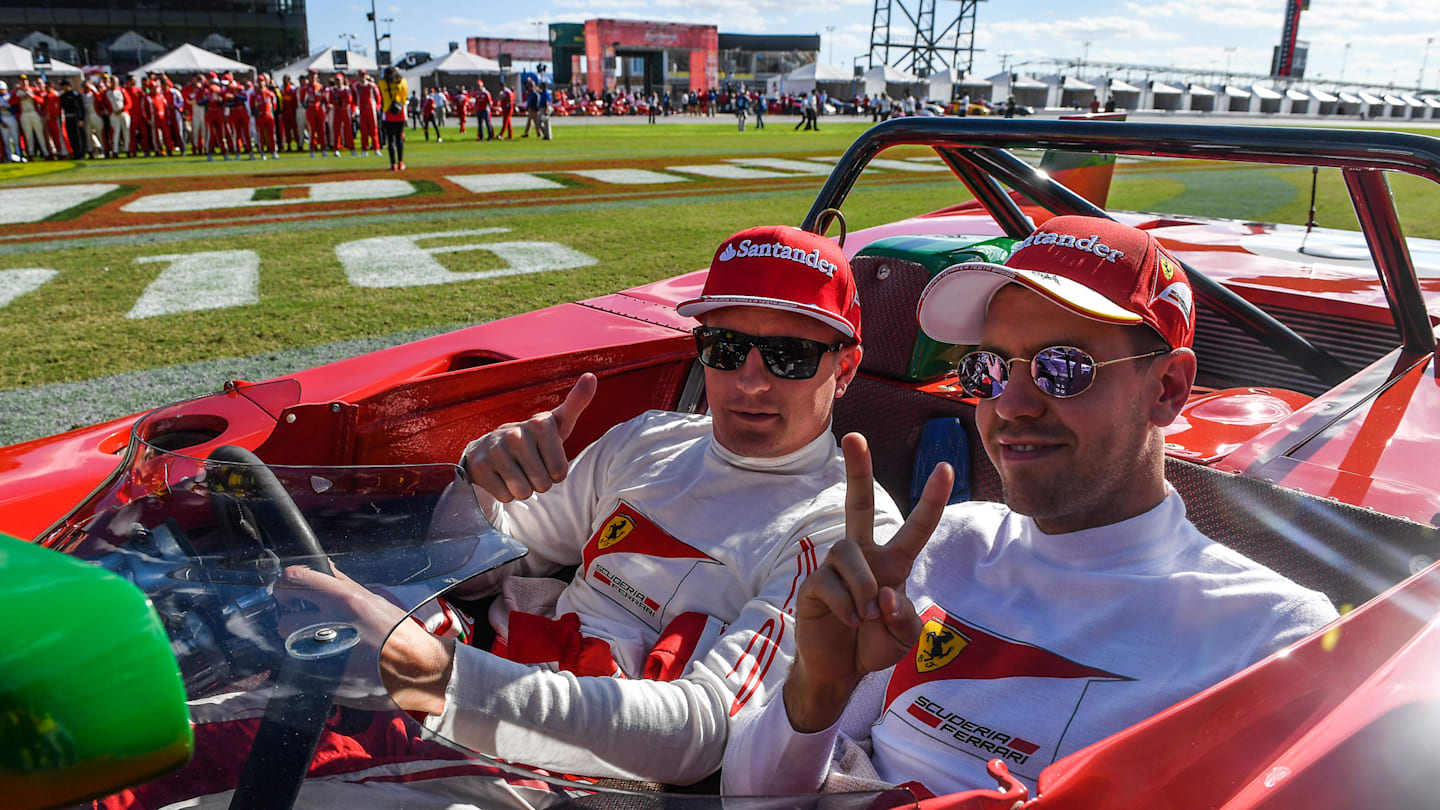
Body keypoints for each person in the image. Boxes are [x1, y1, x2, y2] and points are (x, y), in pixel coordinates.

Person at [276, 225, 906, 799]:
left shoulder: (842, 528)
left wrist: (439, 678)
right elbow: (476, 571)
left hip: (571, 776)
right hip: (482, 679)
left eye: (789, 357)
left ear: (844, 368)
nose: (749, 381)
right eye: (725, 346)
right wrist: (479, 484)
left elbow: (709, 735)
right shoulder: (647, 440)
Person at [722, 215, 1340, 798]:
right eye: (988, 368)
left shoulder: (1271, 638)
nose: (1011, 403)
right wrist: (817, 692)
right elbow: (747, 794)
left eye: (1063, 368)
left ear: (1167, 389)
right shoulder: (947, 545)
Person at [378, 66, 408, 170]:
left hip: (387, 112)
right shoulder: (403, 82)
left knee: (390, 139)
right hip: (399, 112)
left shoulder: (382, 83)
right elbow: (404, 98)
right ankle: (400, 162)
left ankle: (393, 164)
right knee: (399, 138)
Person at [355, 69, 380, 156]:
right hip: (361, 109)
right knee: (364, 130)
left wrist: (377, 107)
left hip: (371, 108)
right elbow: (353, 98)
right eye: (361, 75)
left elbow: (378, 97)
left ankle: (376, 148)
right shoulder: (356, 86)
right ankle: (364, 149)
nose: (362, 77)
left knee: (374, 129)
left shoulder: (371, 85)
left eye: (363, 75)